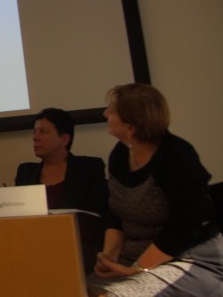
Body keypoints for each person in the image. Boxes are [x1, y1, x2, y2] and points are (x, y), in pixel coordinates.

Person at [88, 83, 223, 297]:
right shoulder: (120, 154)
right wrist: (109, 256)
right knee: (72, 288)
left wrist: (138, 268)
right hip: (137, 256)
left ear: (130, 127)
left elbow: (185, 228)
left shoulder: (178, 156)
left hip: (186, 258)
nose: (105, 113)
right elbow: (117, 211)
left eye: (111, 110)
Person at [15, 108, 108, 273]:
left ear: (64, 139)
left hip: (78, 251)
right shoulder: (25, 172)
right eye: (34, 132)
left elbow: (95, 218)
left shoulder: (89, 169)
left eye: (43, 132)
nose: (35, 137)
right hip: (34, 250)